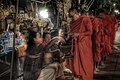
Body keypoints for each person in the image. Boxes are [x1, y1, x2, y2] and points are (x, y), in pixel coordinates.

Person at [67, 8, 94, 80]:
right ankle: (78, 76)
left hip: (84, 44)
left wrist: (79, 34)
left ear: (74, 12)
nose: (73, 18)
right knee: (76, 62)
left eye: (69, 13)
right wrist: (69, 35)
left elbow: (90, 32)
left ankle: (86, 76)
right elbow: (72, 32)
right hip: (76, 45)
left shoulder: (85, 19)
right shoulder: (72, 22)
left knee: (85, 62)